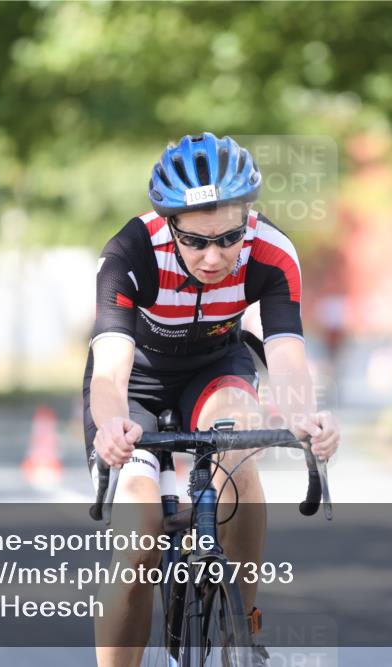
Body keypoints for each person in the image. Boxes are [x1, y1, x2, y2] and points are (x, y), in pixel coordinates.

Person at [84, 133, 341, 666]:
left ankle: (242, 632)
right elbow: (109, 370)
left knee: (239, 455)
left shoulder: (271, 252)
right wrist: (110, 426)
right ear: (170, 225)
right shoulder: (130, 253)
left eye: (228, 238)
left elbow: (285, 351)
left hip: (215, 369)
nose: (213, 256)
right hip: (136, 386)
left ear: (248, 218)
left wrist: (305, 420)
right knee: (139, 536)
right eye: (195, 241)